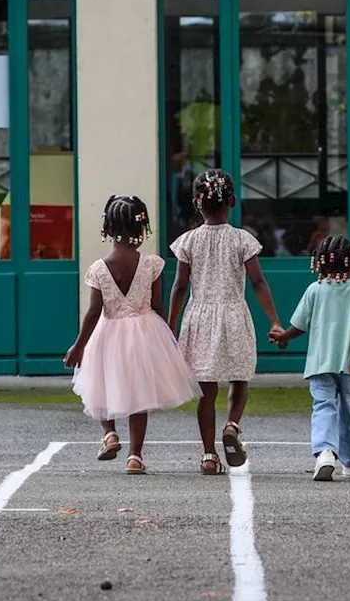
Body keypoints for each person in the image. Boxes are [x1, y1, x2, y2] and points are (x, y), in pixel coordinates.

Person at [64, 195, 200, 474]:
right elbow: (158, 305)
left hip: (107, 333)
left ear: (108, 230)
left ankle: (109, 433)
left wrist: (79, 345)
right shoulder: (151, 264)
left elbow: (93, 312)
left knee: (101, 383)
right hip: (144, 332)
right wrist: (168, 336)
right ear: (141, 229)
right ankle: (135, 456)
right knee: (140, 395)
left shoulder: (99, 268)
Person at [169, 169, 284, 475]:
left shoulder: (188, 241)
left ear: (196, 203)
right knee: (240, 377)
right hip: (234, 315)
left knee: (207, 392)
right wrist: (274, 320)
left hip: (200, 317)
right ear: (232, 201)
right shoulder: (242, 239)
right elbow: (259, 283)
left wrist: (169, 323)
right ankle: (232, 425)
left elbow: (180, 286)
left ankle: (208, 455)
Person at [272, 236, 350, 481]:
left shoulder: (315, 290)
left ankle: (325, 452)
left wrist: (283, 337)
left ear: (318, 263)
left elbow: (299, 325)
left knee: (323, 406)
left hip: (320, 362)